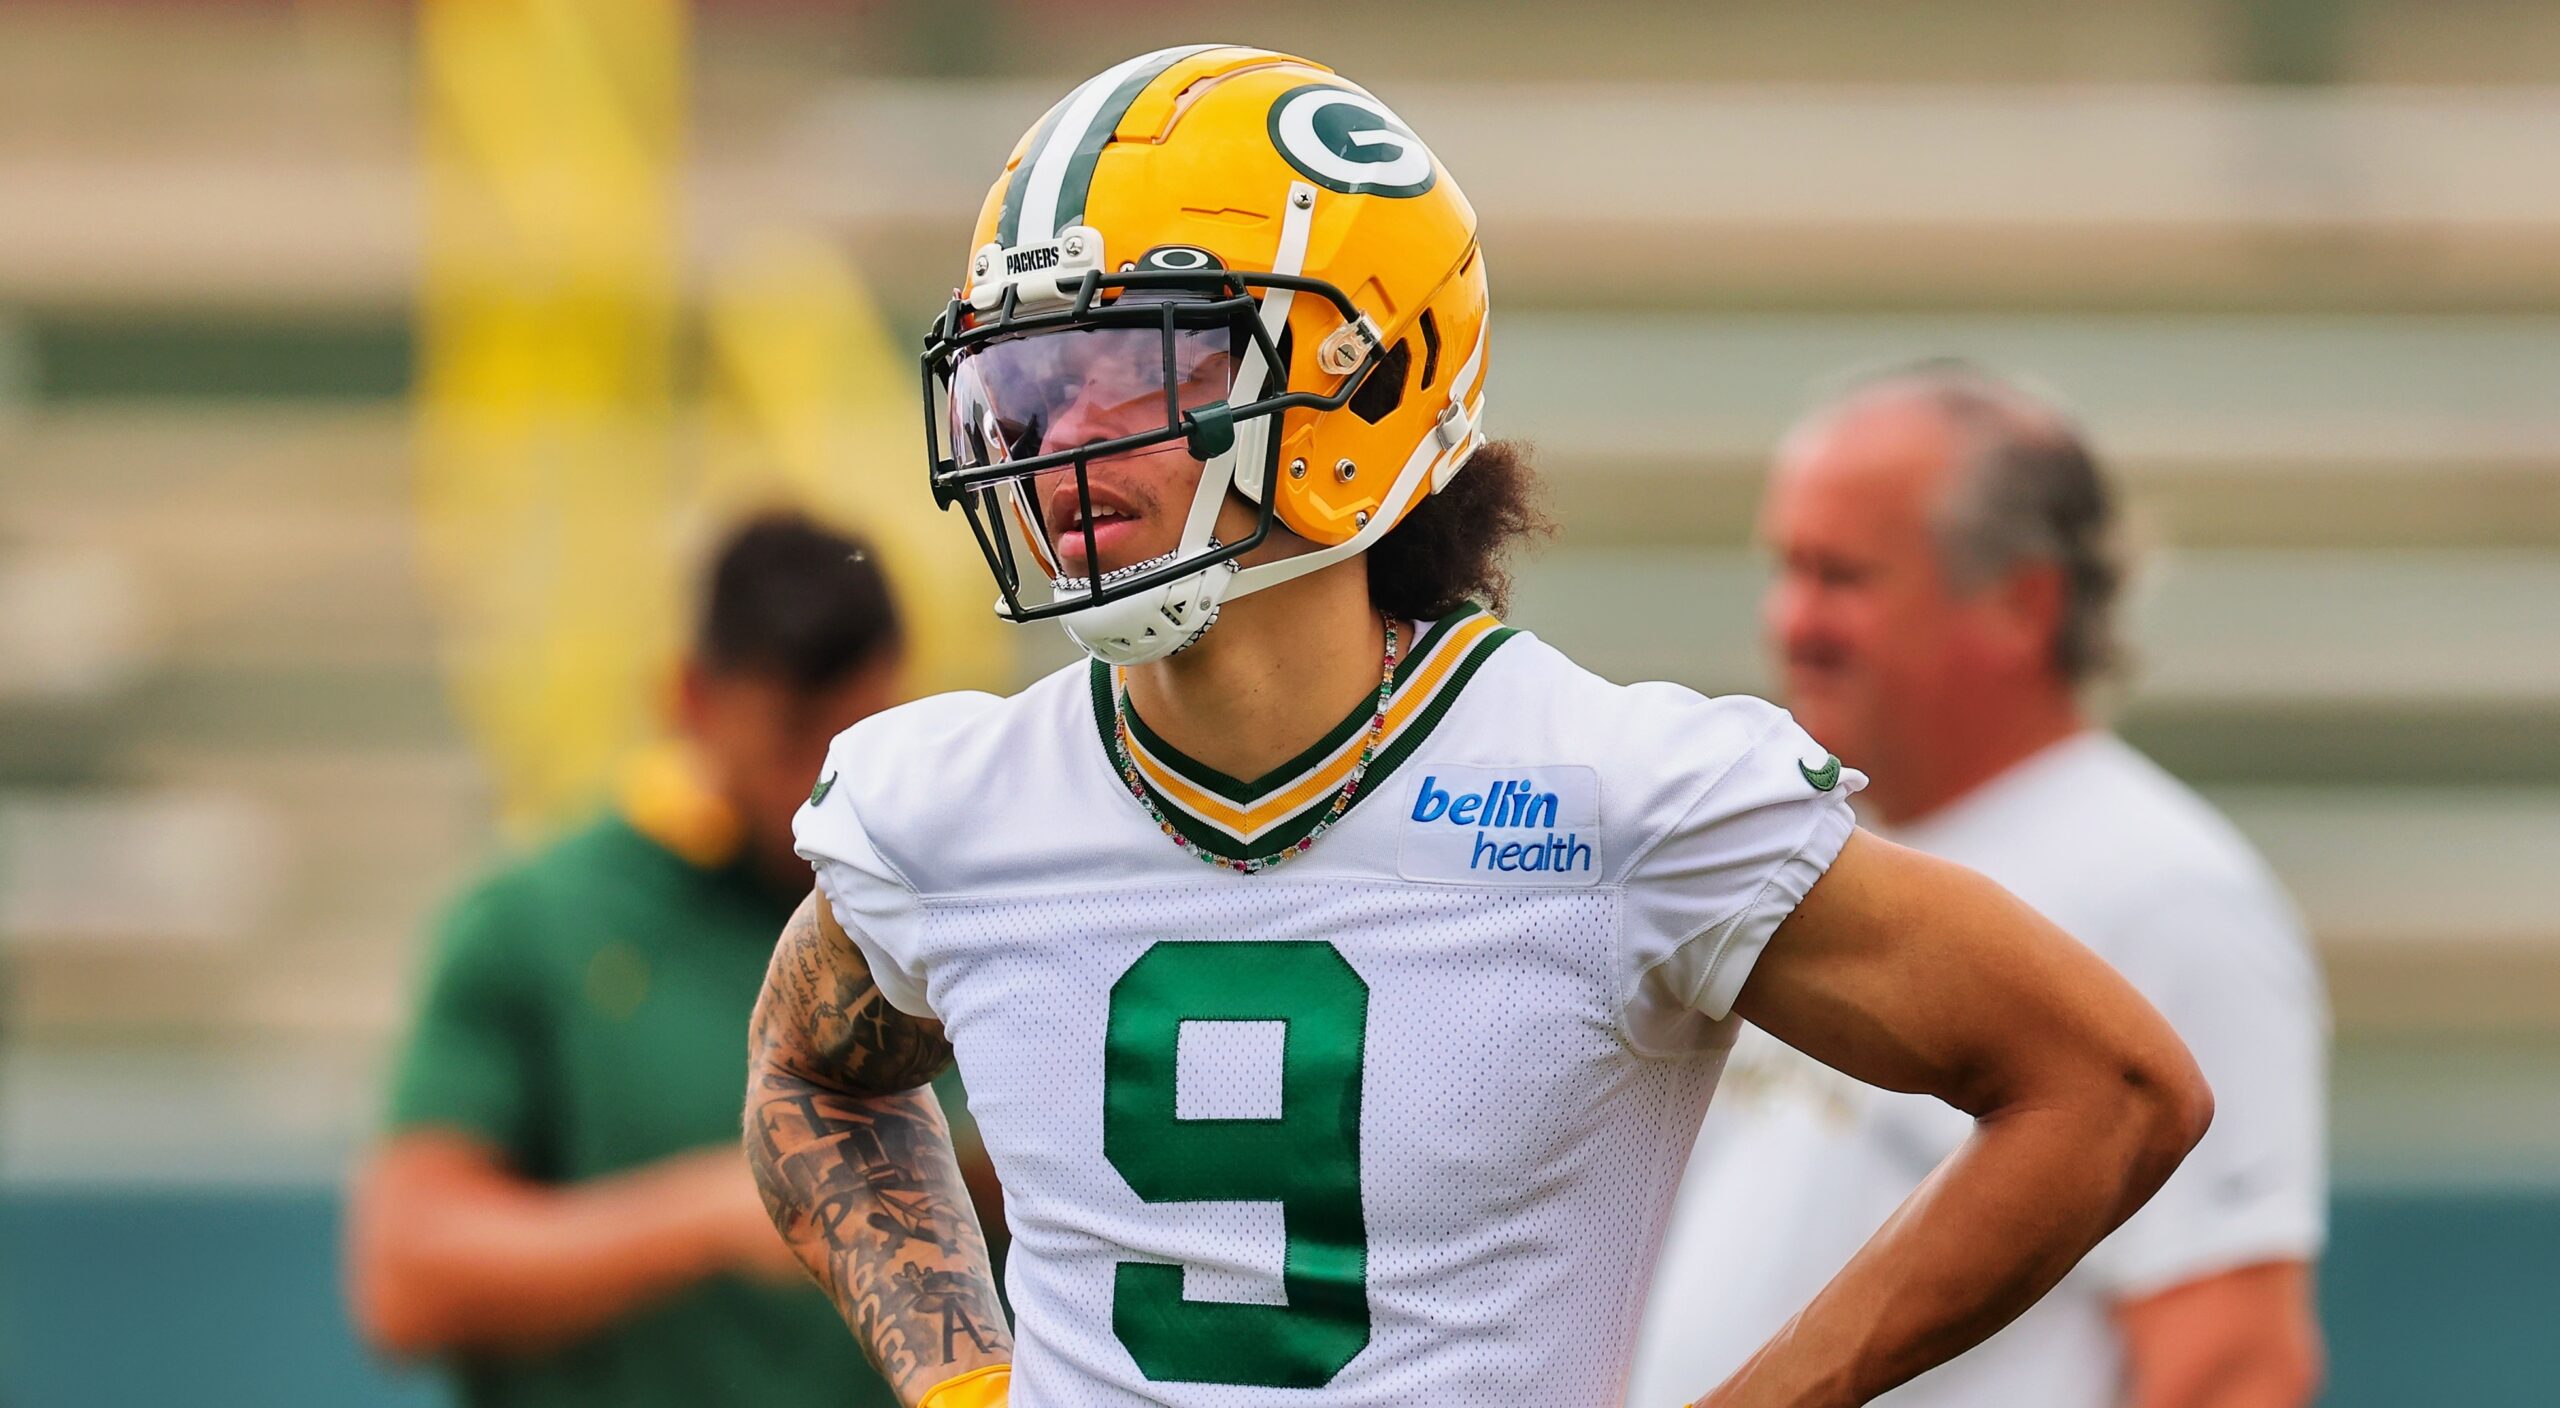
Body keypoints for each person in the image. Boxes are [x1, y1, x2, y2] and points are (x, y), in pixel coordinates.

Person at [746, 48, 2213, 1408]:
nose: (1061, 440)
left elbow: (2109, 1086)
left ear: (1361, 381)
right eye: (1029, 380)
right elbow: (809, 1076)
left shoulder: (1616, 797)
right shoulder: (945, 807)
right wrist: (961, 1378)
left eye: (1131, 369)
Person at [1628, 364, 2328, 1408]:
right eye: (1786, 568)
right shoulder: (1799, 851)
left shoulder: (2168, 891)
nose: (1793, 620)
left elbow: (2230, 1359)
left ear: (2020, 602)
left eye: (1843, 577)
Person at [349, 512, 913, 1408]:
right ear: (693, 700)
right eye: (794, 732)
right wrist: (713, 1214)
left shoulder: (951, 921)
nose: (829, 782)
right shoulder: (538, 923)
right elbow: (407, 1274)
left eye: (869, 736)